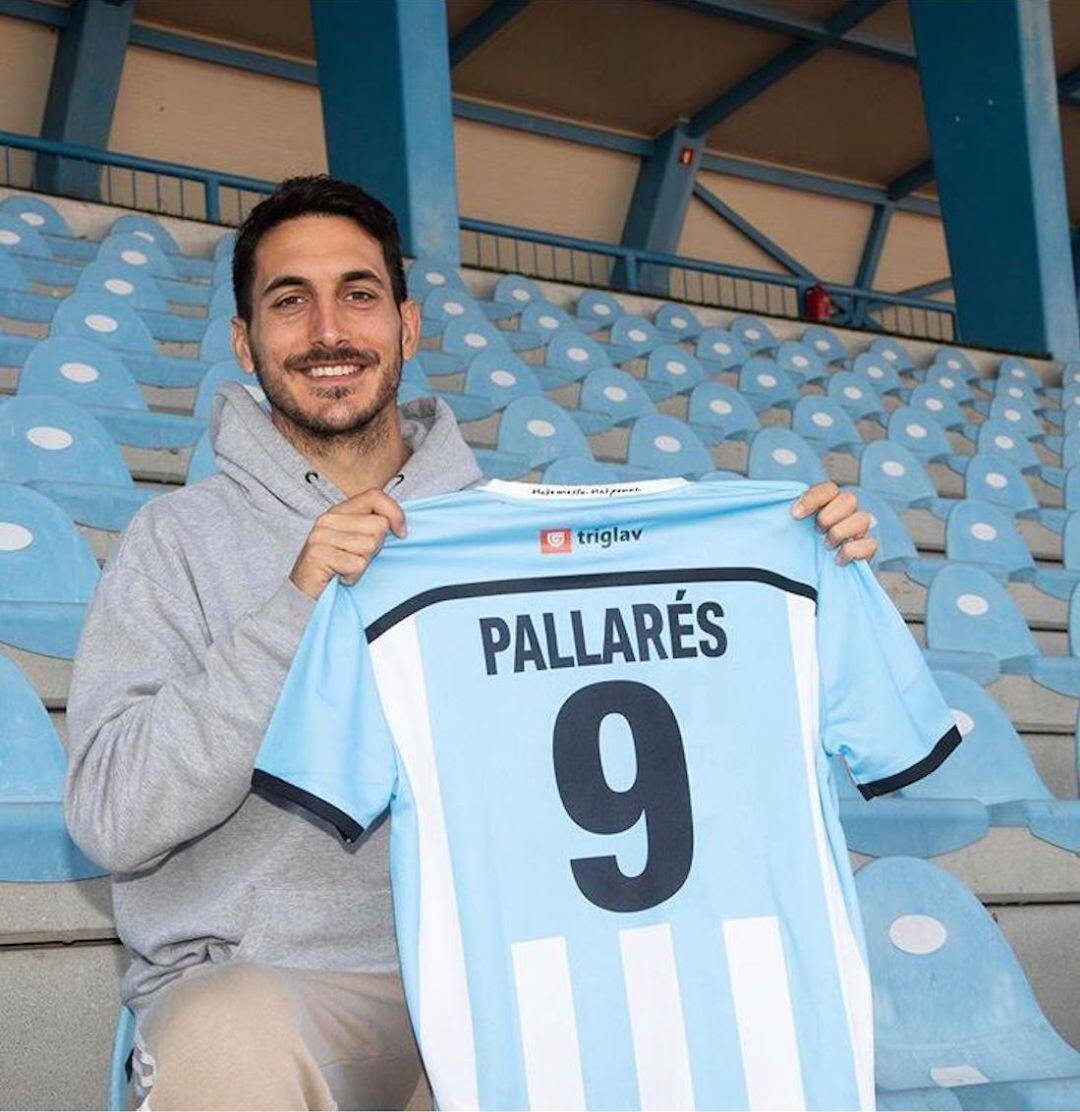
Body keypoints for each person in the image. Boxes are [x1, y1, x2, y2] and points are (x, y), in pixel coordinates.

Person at [64, 175, 876, 1110]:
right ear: (246, 345)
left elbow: (683, 734)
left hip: (513, 977)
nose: (329, 329)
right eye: (291, 301)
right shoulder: (174, 542)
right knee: (225, 1042)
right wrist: (296, 611)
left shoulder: (515, 540)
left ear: (407, 327)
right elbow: (112, 817)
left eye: (358, 294)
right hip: (287, 988)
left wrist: (799, 569)